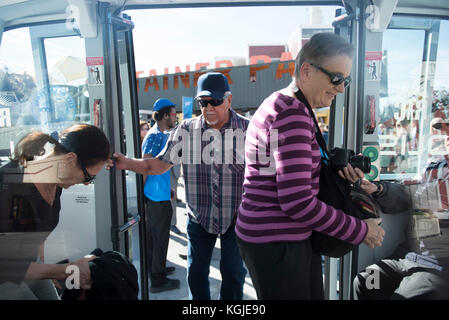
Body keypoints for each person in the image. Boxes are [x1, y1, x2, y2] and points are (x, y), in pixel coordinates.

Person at [235, 32, 385, 300]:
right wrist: (361, 230)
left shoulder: (281, 102)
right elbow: (297, 202)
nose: (341, 88)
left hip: (270, 238)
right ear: (306, 71)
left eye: (346, 81)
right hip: (279, 242)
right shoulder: (292, 114)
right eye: (336, 78)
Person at [107, 72, 249, 300]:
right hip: (199, 218)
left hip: (236, 218)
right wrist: (126, 163)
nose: (209, 108)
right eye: (203, 102)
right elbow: (158, 165)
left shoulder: (248, 131)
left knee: (233, 273)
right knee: (196, 274)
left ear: (229, 100)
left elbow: (265, 174)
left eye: (216, 101)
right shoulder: (186, 130)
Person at [0, 123, 111, 299]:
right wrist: (63, 270)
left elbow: (38, 236)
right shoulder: (13, 186)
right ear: (69, 159)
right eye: (88, 176)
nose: (86, 183)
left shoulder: (56, 184)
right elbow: (7, 265)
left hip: (27, 265)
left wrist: (47, 271)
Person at [353, 114, 449, 300]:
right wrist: (378, 189)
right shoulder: (434, 168)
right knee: (367, 281)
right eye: (441, 129)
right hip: (409, 257)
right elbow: (408, 192)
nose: (445, 134)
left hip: (438, 267)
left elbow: (427, 194)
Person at [142, 98, 180, 293]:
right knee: (160, 238)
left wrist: (168, 189)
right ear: (165, 115)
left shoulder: (160, 134)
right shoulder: (155, 136)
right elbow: (146, 166)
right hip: (156, 198)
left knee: (155, 238)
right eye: (173, 114)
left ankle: (156, 269)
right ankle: (157, 280)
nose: (175, 117)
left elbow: (159, 168)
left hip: (160, 194)